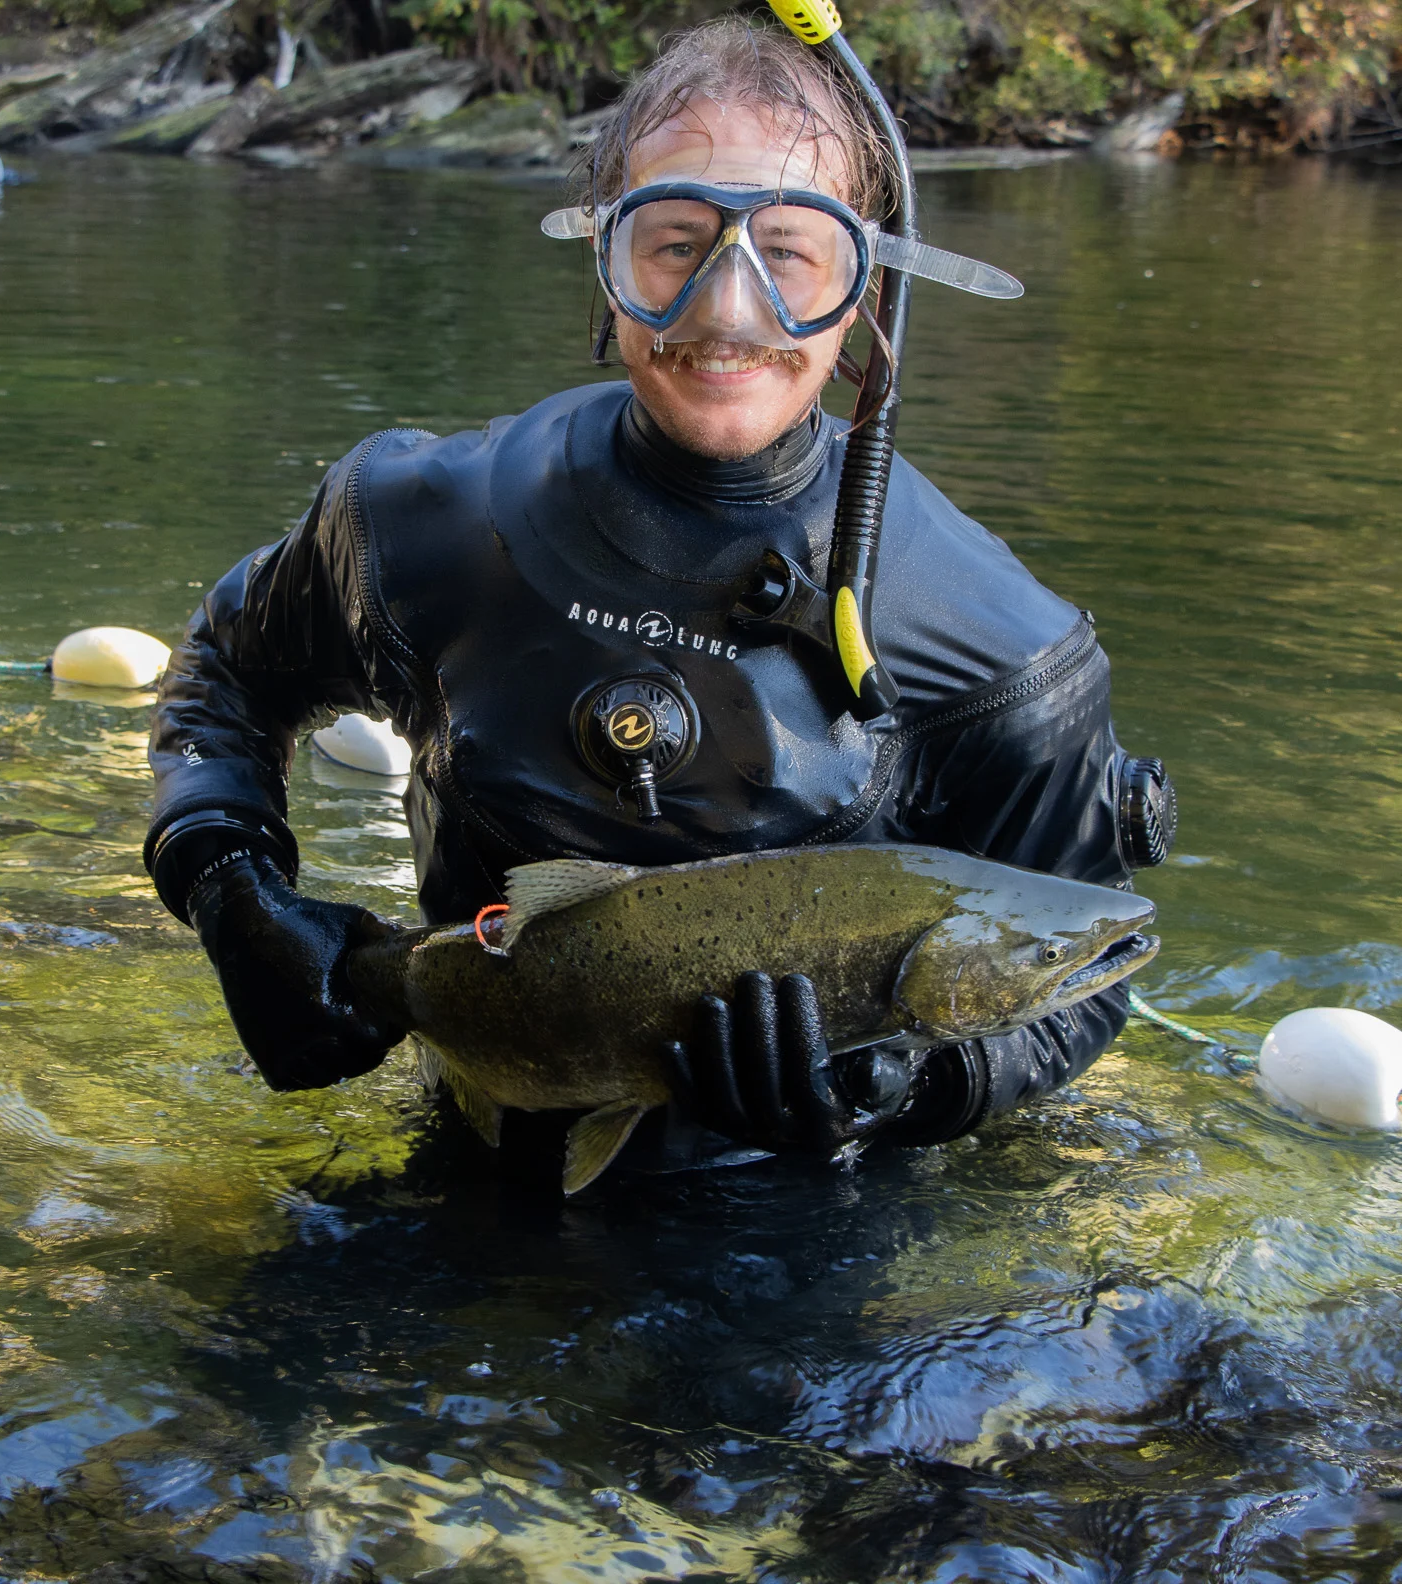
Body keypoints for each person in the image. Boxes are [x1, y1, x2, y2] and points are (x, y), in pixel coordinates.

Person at [144, 16, 1176, 1168]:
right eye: (674, 242)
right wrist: (232, 893)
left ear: (863, 287)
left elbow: (1078, 992)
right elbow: (227, 672)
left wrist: (894, 1090)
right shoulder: (417, 519)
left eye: (788, 252)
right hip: (467, 1162)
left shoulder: (999, 647)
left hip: (814, 1223)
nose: (726, 310)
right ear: (604, 257)